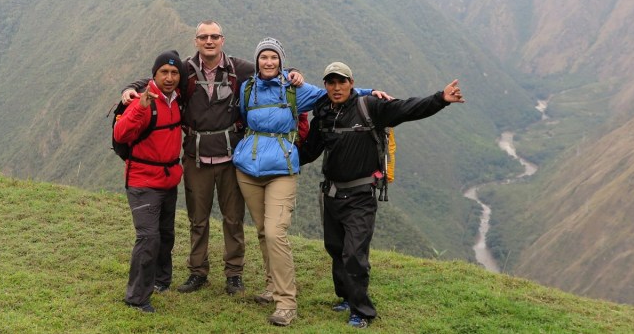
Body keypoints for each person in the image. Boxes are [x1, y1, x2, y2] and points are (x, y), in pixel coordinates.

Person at [120, 21, 306, 296]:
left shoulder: (238, 69)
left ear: (222, 40)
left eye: (214, 36)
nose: (209, 41)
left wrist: (293, 73)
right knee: (198, 218)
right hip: (196, 157)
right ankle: (198, 272)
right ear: (196, 41)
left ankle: (234, 274)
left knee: (233, 218)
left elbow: (269, 69)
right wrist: (130, 87)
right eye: (204, 37)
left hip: (231, 158)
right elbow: (159, 78)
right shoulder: (184, 70)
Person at [298, 61, 464, 329]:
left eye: (342, 82)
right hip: (331, 194)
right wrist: (274, 160)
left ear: (352, 83)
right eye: (331, 82)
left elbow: (407, 109)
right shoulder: (324, 116)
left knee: (354, 254)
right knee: (336, 249)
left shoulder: (370, 107)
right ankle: (345, 297)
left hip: (360, 196)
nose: (336, 87)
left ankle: (361, 311)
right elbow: (308, 151)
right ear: (325, 86)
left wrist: (440, 99)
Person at [233, 39, 380, 327]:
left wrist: (368, 93)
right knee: (263, 231)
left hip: (281, 169)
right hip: (248, 169)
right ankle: (271, 285)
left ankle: (286, 302)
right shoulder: (247, 88)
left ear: (281, 62)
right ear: (257, 60)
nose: (268, 62)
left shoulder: (294, 90)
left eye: (273, 57)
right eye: (263, 57)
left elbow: (334, 95)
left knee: (276, 232)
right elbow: (243, 118)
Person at [113, 50, 187, 313]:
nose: (169, 78)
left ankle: (161, 280)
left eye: (174, 73)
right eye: (163, 73)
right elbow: (120, 134)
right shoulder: (144, 100)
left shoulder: (178, 99)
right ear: (154, 74)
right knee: (148, 238)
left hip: (168, 179)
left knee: (166, 234)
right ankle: (136, 298)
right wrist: (140, 106)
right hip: (143, 182)